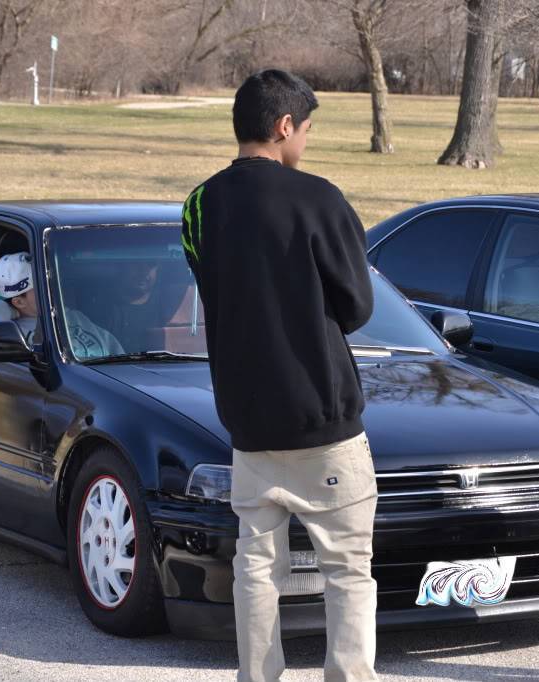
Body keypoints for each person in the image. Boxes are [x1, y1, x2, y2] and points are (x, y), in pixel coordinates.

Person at [182, 69, 377, 682]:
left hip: (247, 422)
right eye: (307, 129)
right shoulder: (319, 197)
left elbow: (211, 287)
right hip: (326, 420)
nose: (307, 142)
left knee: (256, 566)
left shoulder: (200, 203)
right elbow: (358, 307)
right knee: (347, 570)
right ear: (284, 126)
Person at [0, 252, 122, 359]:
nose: (52, 289)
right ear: (19, 302)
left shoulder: (71, 316)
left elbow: (115, 351)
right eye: (41, 287)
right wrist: (0, 308)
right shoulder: (10, 331)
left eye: (50, 281)